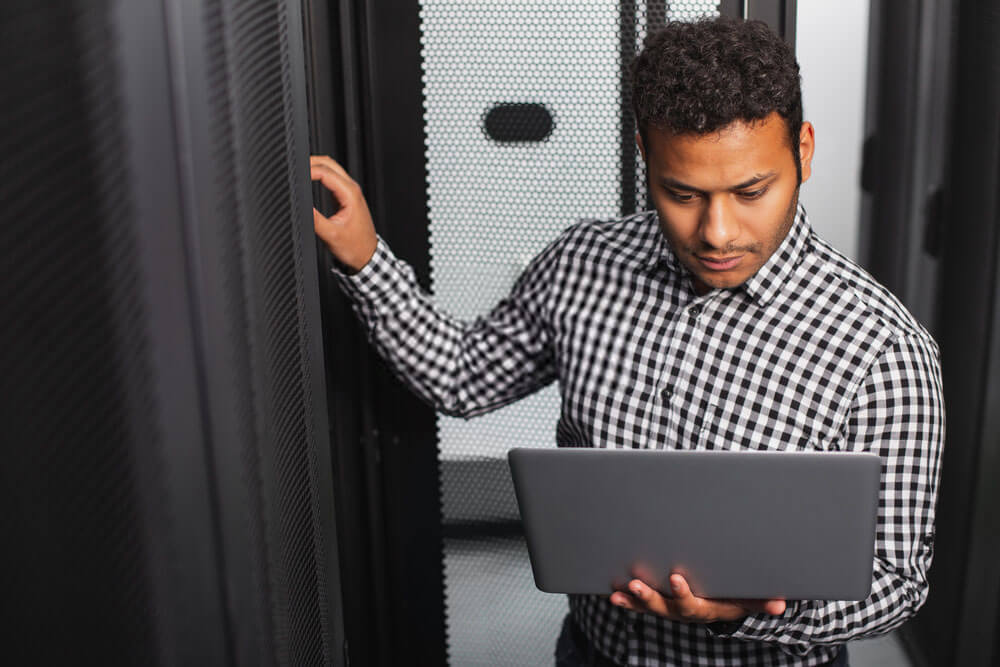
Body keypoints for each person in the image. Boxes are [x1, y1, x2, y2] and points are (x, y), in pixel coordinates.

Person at [310, 17, 944, 667]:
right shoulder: (581, 263)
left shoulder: (883, 350)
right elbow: (461, 375)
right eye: (682, 193)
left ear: (803, 151)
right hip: (591, 653)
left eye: (751, 191)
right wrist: (366, 261)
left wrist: (750, 609)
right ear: (645, 154)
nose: (718, 232)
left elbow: (895, 580)